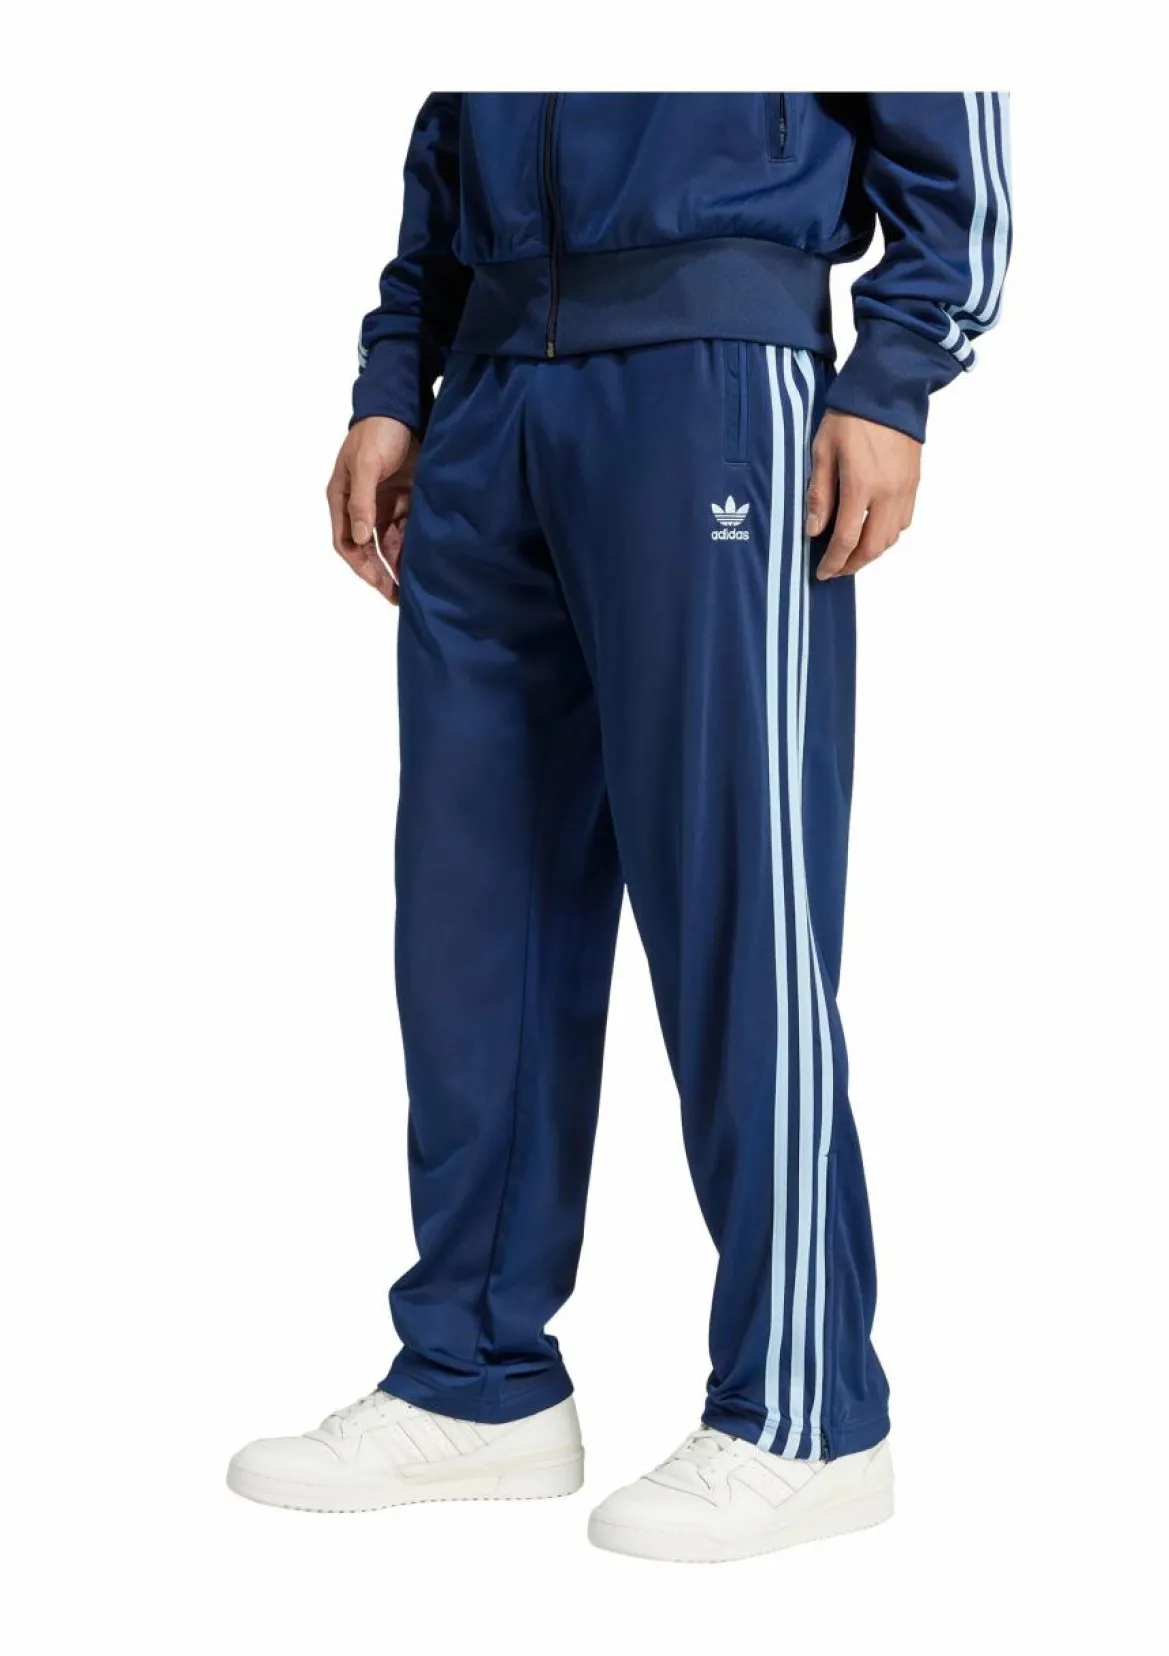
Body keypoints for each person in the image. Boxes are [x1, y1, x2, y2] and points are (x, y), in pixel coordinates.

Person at [227, 92, 1010, 1562]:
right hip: (488, 391)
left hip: (710, 375)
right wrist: (398, 372)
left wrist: (897, 370)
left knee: (738, 903)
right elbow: (456, 116)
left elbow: (950, 101)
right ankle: (475, 1376)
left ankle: (806, 1405)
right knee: (473, 913)